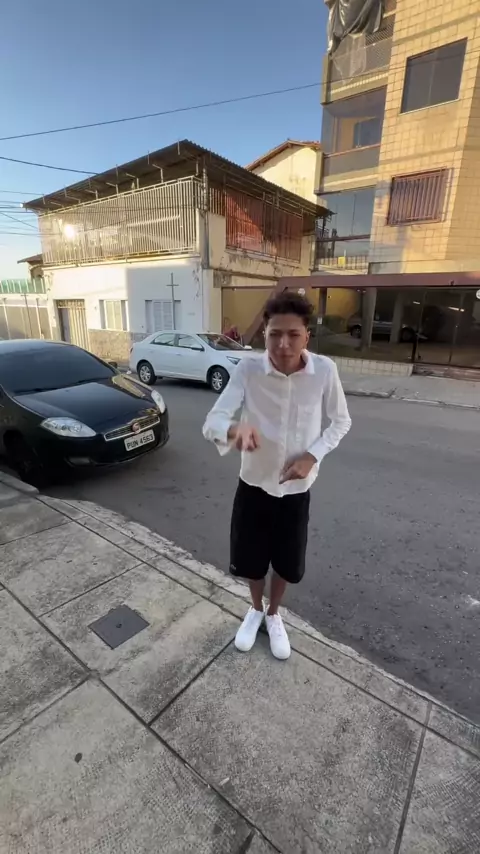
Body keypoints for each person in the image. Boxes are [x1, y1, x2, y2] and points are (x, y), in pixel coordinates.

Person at [203, 292, 351, 660]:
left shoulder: (325, 371)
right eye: (274, 335)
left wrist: (312, 456)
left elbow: (341, 421)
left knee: (287, 560)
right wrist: (234, 430)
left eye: (293, 335)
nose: (283, 345)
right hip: (254, 483)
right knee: (252, 559)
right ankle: (255, 609)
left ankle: (274, 613)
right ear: (264, 334)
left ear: (306, 336)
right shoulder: (248, 369)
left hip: (296, 490)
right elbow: (213, 421)